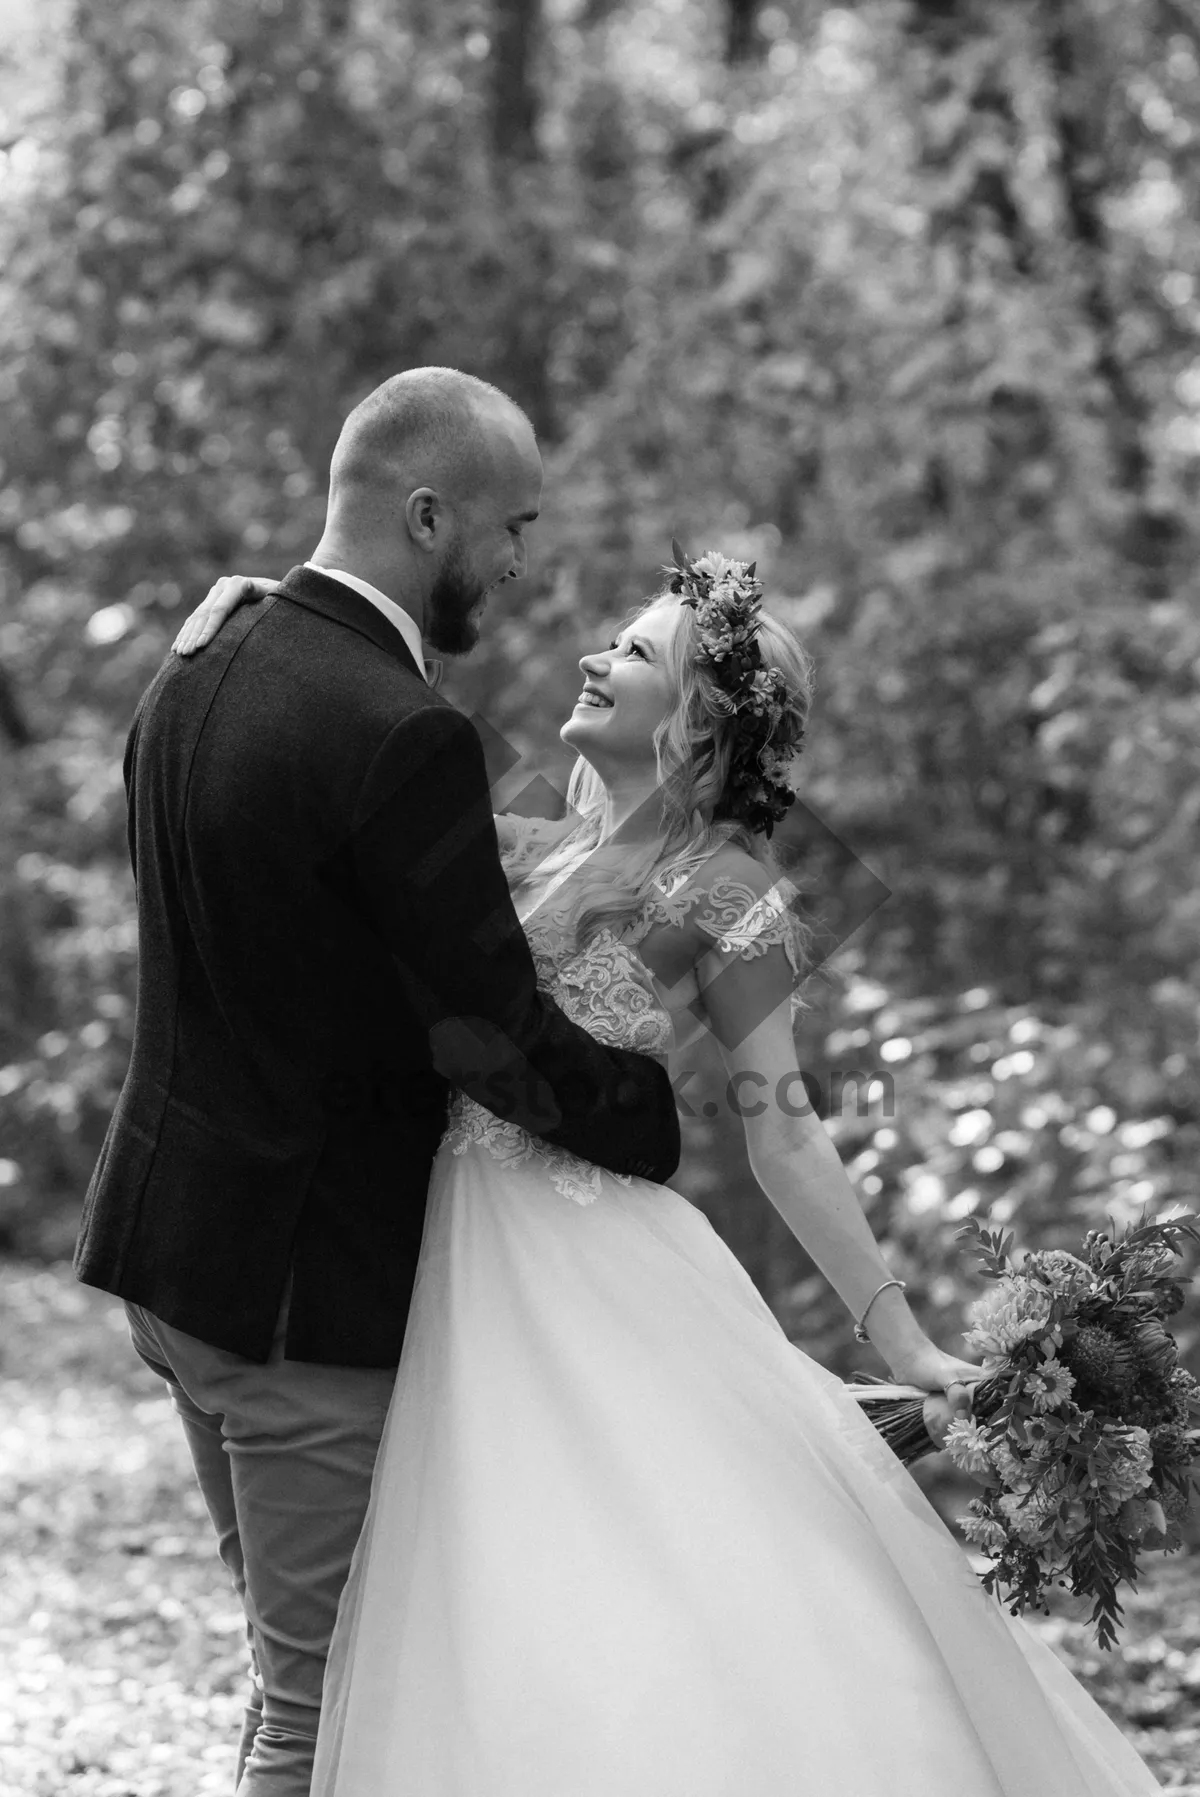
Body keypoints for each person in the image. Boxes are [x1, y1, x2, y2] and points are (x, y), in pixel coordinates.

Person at [177, 547, 1160, 1794]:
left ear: (696, 723)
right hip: (447, 1259)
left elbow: (784, 1124)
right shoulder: (515, 841)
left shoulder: (729, 889)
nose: (595, 657)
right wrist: (264, 618)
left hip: (596, 1271)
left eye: (634, 653)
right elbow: (331, 766)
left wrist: (903, 1341)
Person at [74, 367, 684, 1797]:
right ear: (427, 514)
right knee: (320, 1708)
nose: (524, 563)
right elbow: (492, 1031)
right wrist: (648, 1121)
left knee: (291, 1677)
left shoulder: (200, 659)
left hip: (177, 1261)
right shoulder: (403, 734)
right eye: (512, 526)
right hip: (301, 1300)